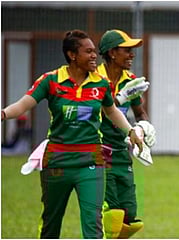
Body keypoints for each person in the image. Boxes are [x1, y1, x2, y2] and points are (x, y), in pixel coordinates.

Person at [0, 29, 143, 239]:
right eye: (88, 52)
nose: (94, 56)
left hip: (91, 161)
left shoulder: (100, 84)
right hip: (57, 161)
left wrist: (130, 131)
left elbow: (111, 111)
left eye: (95, 51)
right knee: (51, 223)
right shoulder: (51, 80)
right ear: (72, 55)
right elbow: (23, 105)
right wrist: (3, 113)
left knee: (93, 224)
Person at [97, 29, 156, 239]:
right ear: (112, 53)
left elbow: (140, 113)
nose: (132, 54)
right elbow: (97, 110)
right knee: (112, 211)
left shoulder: (131, 80)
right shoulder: (94, 79)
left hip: (122, 152)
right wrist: (120, 98)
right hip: (99, 151)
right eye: (127, 50)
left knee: (130, 216)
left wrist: (142, 128)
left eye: (133, 50)